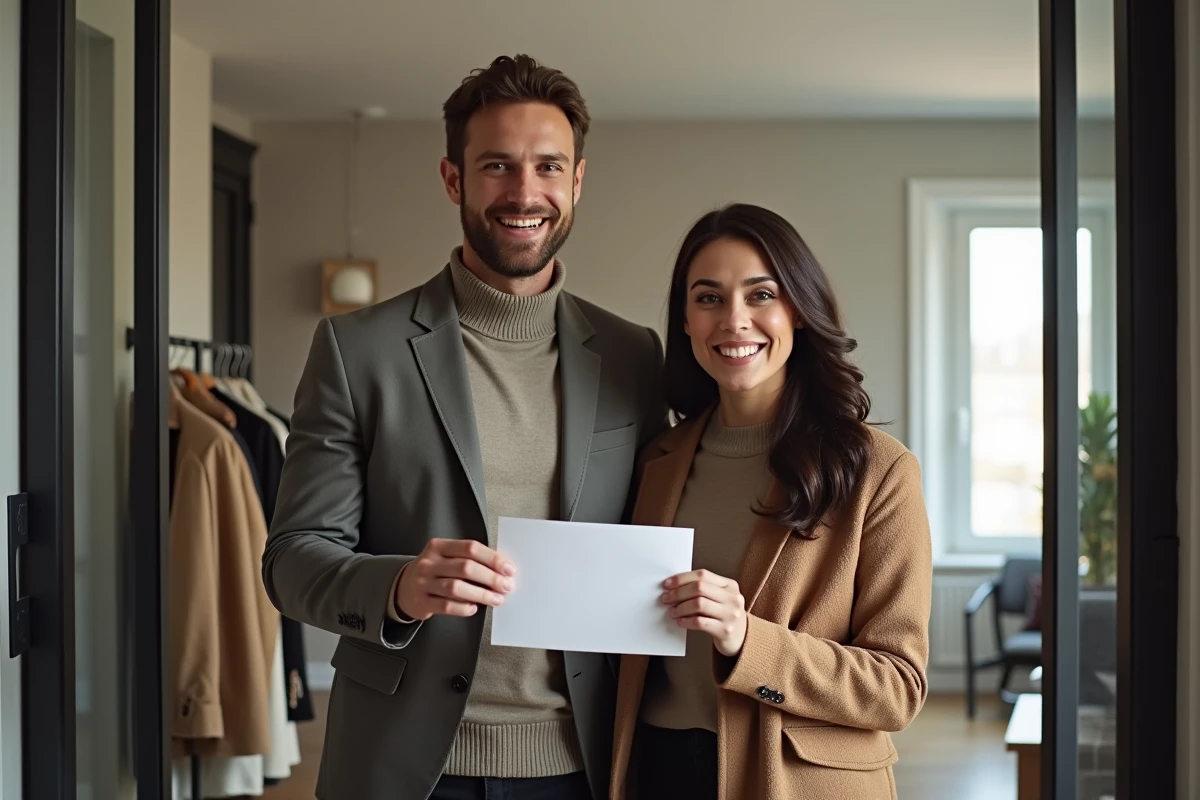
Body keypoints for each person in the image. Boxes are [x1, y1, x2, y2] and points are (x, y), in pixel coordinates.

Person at [263, 54, 666, 800]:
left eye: (549, 166)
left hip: (587, 764)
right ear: (453, 179)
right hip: (406, 767)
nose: (524, 192)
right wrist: (399, 587)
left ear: (577, 181)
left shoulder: (634, 356)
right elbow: (291, 560)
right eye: (497, 167)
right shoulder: (356, 352)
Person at [608, 204, 933, 800]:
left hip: (797, 782)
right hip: (657, 768)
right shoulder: (655, 460)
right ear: (685, 319)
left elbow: (897, 688)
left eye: (761, 295)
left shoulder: (880, 470)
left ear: (799, 312)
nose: (734, 320)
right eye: (708, 298)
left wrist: (746, 639)